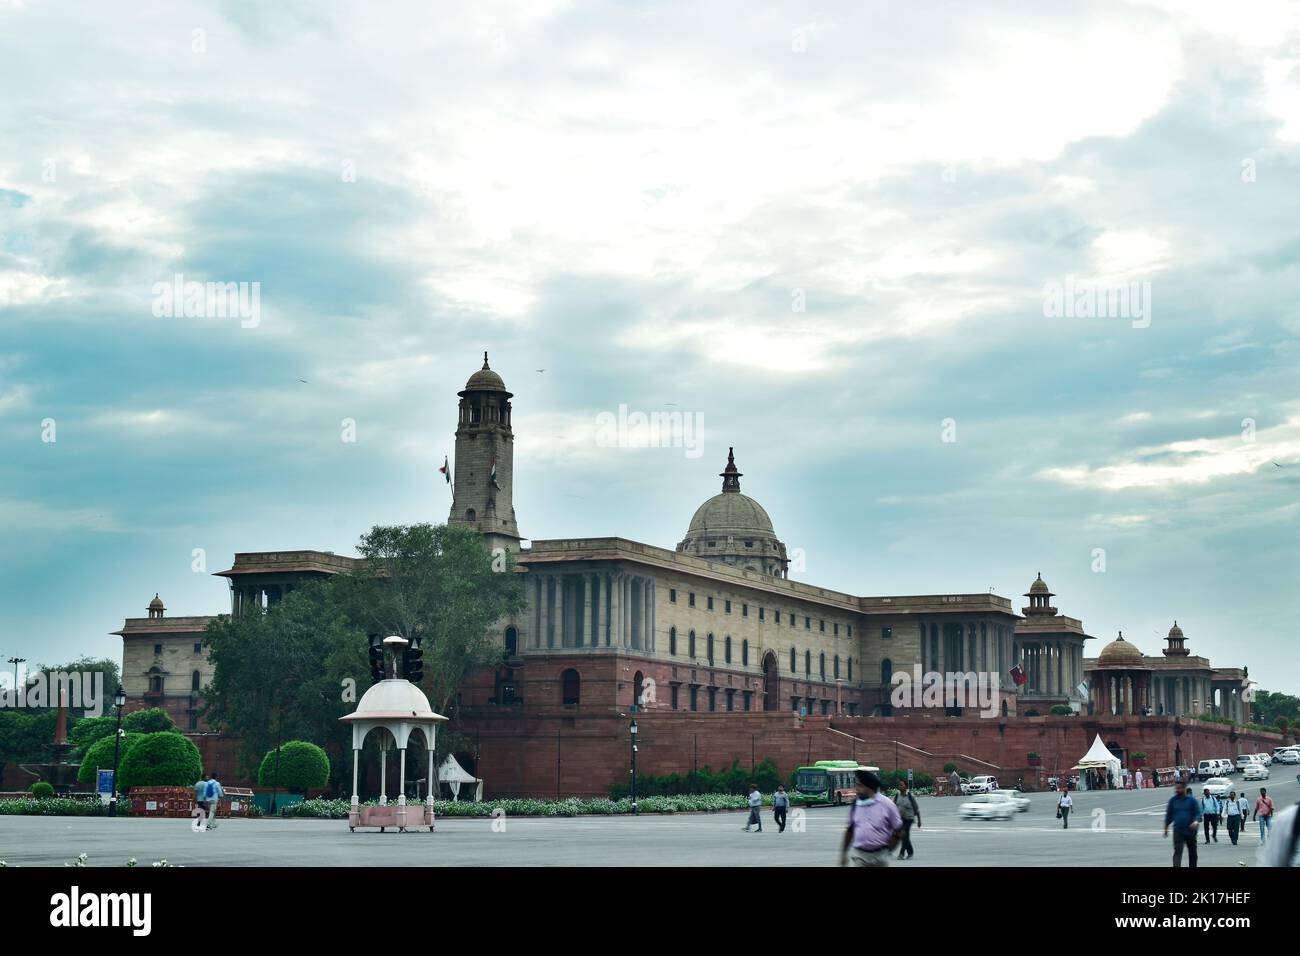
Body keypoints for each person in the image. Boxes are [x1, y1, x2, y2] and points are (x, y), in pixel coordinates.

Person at [840, 769, 902, 867]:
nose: (856, 789)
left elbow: (898, 829)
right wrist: (843, 853)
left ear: (869, 787)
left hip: (880, 856)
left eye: (860, 786)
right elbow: (850, 830)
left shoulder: (887, 804)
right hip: (860, 855)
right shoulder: (856, 804)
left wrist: (889, 849)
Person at [1164, 781, 1202, 868]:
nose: (1176, 790)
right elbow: (1169, 815)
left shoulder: (1192, 801)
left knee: (1192, 852)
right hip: (1178, 831)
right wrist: (1166, 827)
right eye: (1176, 788)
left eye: (1179, 788)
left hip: (1191, 831)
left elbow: (1198, 813)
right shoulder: (1173, 801)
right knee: (1177, 852)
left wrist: (1196, 821)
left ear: (1184, 788)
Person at [1256, 802, 1300, 867]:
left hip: (1267, 816)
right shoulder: (1288, 818)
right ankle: (1263, 840)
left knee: (1268, 829)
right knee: (1263, 829)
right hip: (1263, 816)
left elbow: (1271, 807)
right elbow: (1270, 862)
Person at [893, 779, 921, 860]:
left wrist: (919, 821)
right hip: (900, 819)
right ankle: (910, 852)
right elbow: (892, 807)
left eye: (901, 785)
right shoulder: (897, 796)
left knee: (904, 834)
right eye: (899, 785)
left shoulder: (910, 797)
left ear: (906, 787)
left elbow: (916, 809)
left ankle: (901, 854)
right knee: (904, 837)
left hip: (909, 819)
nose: (900, 786)